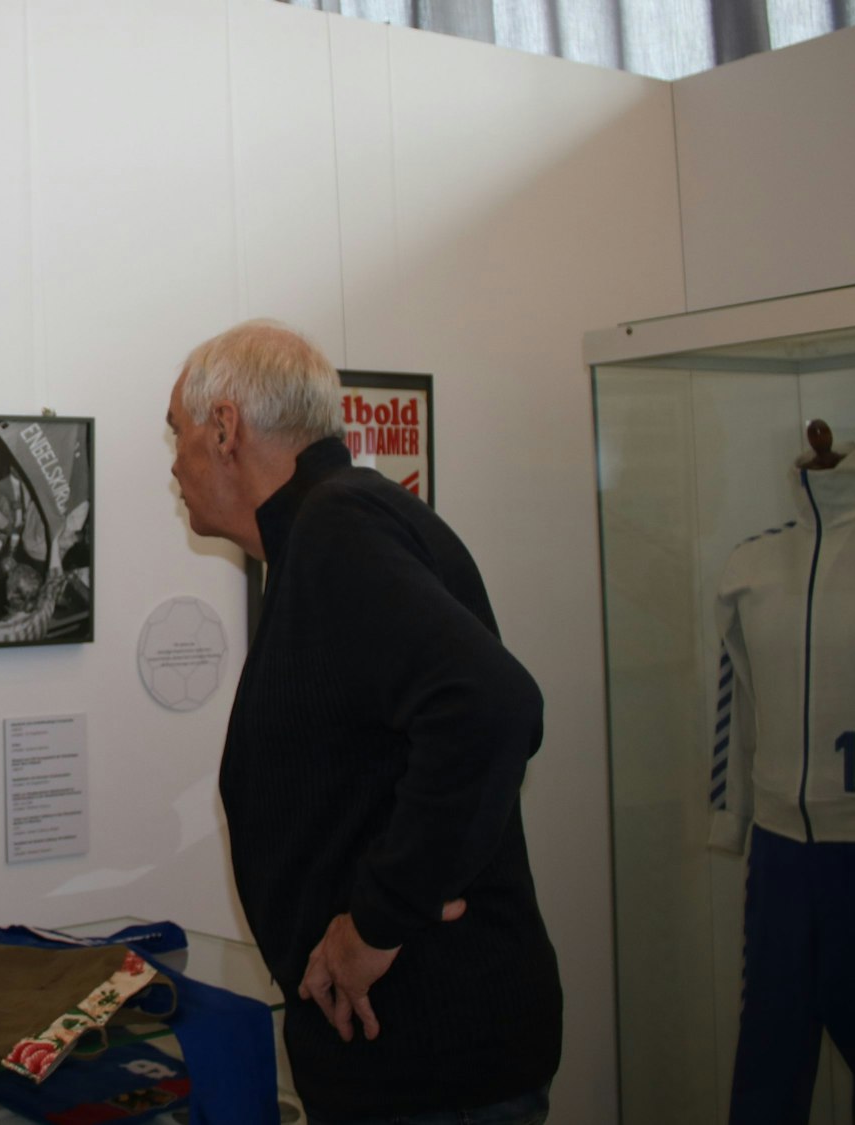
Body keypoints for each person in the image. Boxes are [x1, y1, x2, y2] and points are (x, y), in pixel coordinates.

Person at [165, 321, 560, 1124]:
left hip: (432, 1066)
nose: (174, 465)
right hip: (410, 1060)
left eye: (177, 434)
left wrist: (375, 923)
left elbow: (490, 705)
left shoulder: (336, 527)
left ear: (225, 428)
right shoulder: (328, 527)